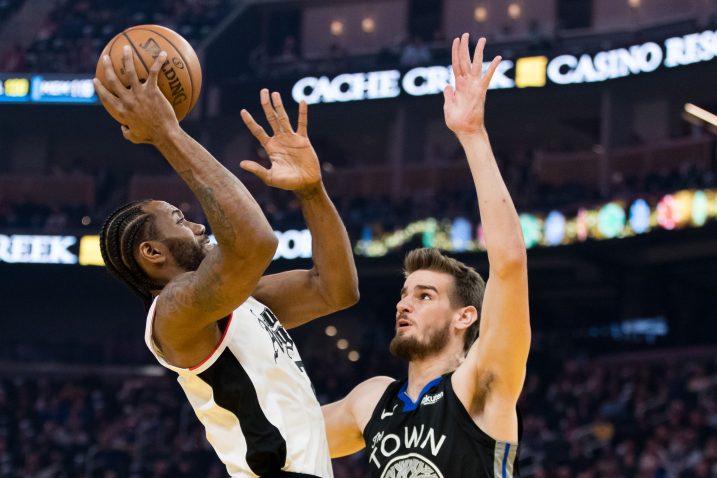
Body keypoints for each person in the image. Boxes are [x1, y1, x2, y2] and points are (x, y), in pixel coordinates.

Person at [93, 46, 358, 477]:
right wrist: (166, 133)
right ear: (153, 253)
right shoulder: (175, 315)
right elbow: (255, 242)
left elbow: (336, 288)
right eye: (180, 220)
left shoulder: (240, 301)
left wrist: (312, 192)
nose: (198, 227)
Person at [322, 34, 529, 477]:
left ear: (465, 317)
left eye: (425, 295)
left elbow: (509, 263)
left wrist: (472, 136)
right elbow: (276, 437)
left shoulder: (480, 382)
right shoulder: (371, 399)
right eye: (405, 293)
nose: (404, 303)